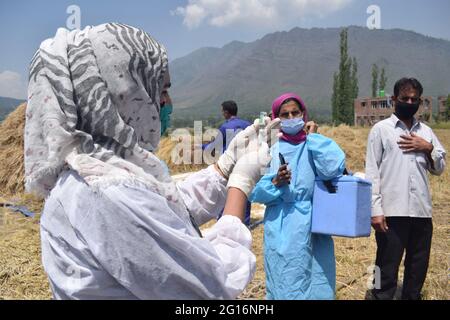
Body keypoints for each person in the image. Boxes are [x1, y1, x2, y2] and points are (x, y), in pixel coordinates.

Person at [24, 23, 280, 300]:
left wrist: (223, 168)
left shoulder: (94, 171)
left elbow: (163, 206)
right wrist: (240, 184)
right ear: (125, 93)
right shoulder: (107, 194)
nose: (167, 102)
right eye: (160, 89)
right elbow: (212, 287)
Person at [249, 93, 346, 300]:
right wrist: (276, 182)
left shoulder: (313, 144)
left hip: (313, 222)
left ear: (304, 114)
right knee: (286, 279)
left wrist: (313, 138)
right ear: (276, 118)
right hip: (282, 224)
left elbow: (333, 169)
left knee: (317, 279)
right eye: (284, 115)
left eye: (295, 112)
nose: (291, 117)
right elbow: (254, 191)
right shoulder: (269, 148)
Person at [365, 78, 446, 300]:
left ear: (419, 101)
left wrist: (428, 148)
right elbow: (372, 172)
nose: (409, 102)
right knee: (384, 263)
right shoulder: (381, 130)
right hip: (391, 211)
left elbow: (439, 168)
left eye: (414, 99)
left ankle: (412, 296)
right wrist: (375, 210)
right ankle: (378, 295)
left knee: (418, 265)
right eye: (405, 98)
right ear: (394, 100)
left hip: (421, 211)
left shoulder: (427, 132)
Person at [202, 101, 252, 225]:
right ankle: (244, 222)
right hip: (247, 164)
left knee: (228, 194)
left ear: (226, 112)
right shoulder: (248, 124)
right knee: (244, 190)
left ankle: (226, 222)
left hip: (231, 165)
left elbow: (214, 146)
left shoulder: (225, 127)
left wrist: (200, 146)